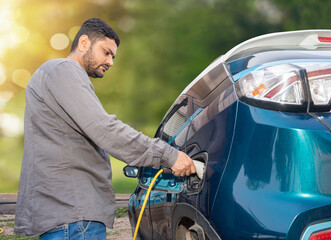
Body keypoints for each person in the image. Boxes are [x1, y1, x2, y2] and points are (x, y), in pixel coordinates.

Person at [14, 17, 196, 239]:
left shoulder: (59, 77)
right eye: (106, 52)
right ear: (83, 43)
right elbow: (105, 129)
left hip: (69, 218)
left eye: (113, 56)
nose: (110, 61)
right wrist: (169, 155)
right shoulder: (63, 69)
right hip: (74, 218)